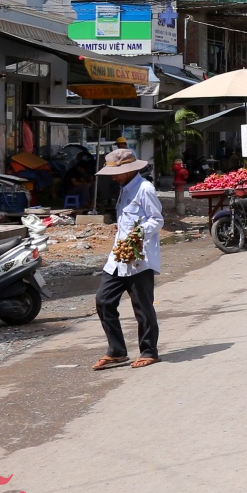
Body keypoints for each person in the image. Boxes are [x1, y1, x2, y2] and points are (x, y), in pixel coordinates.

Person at [94, 148, 163, 370]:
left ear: (129, 170)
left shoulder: (145, 189)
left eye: (116, 173)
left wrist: (139, 233)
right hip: (119, 256)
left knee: (143, 307)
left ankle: (149, 351)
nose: (113, 177)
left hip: (139, 258)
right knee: (104, 301)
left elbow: (157, 220)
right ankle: (117, 351)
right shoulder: (123, 189)